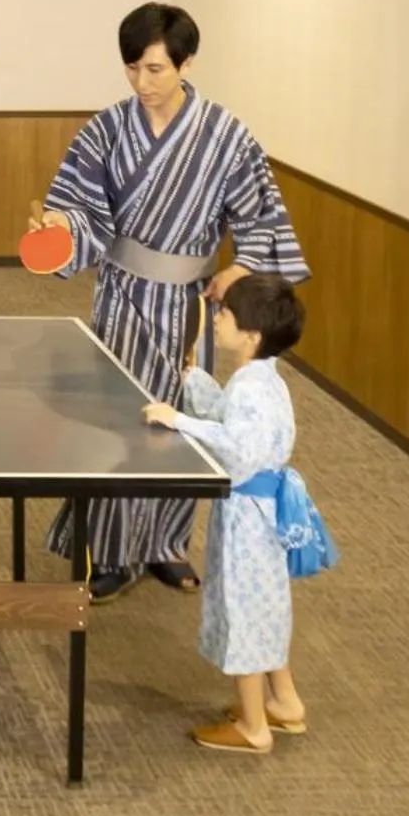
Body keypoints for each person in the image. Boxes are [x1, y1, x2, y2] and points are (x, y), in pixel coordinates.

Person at [31, 2, 309, 601]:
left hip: (192, 306)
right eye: (132, 68)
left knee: (187, 423)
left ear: (186, 62)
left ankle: (165, 545)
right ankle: (108, 549)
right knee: (116, 422)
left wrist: (239, 266)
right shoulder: (105, 130)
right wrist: (61, 227)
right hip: (124, 297)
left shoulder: (226, 137)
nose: (142, 83)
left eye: (156, 69)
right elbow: (80, 210)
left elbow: (260, 215)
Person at [141, 272, 309, 754]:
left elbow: (236, 447)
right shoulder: (260, 379)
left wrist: (178, 420)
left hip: (248, 522)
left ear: (252, 335)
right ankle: (286, 704)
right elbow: (229, 417)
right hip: (262, 512)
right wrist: (194, 379)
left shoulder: (252, 388)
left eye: (226, 314)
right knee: (267, 609)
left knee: (244, 612)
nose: (218, 318)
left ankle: (254, 728)